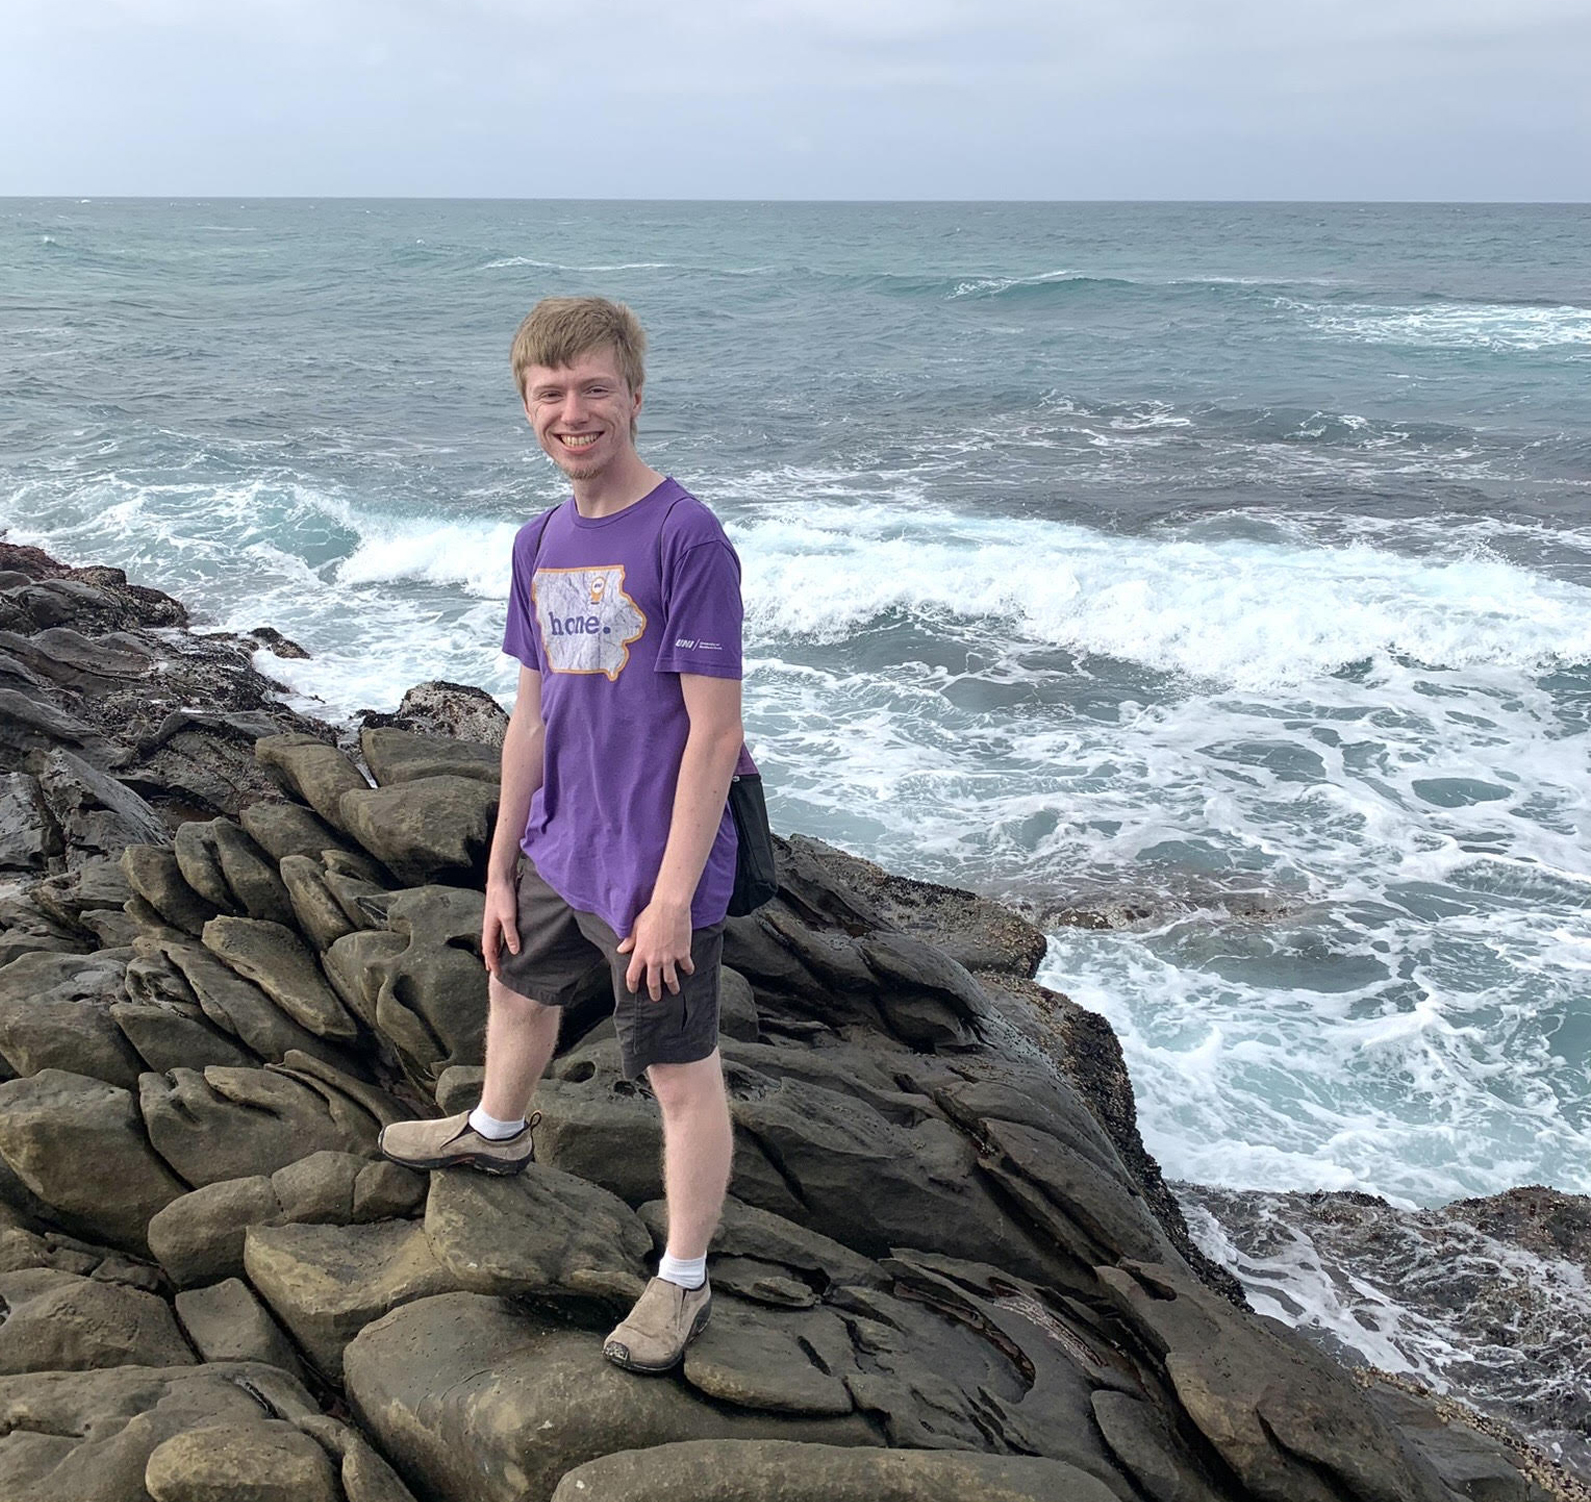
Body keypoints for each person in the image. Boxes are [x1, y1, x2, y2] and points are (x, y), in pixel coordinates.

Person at [378, 296, 744, 1375]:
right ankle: (498, 1127)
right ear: (528, 407)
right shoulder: (537, 541)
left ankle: (682, 1278)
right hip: (559, 841)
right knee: (516, 984)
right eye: (551, 393)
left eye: (593, 388)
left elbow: (716, 736)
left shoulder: (687, 536)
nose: (572, 410)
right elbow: (529, 714)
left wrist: (673, 895)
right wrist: (500, 864)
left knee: (679, 1074)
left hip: (650, 866)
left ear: (633, 394)